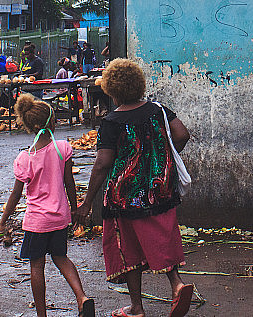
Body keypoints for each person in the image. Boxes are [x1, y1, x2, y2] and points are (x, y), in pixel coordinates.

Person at [76, 58, 194, 317]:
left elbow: (103, 163)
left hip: (125, 194)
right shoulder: (158, 110)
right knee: (161, 236)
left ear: (111, 89)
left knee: (128, 248)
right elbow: (182, 135)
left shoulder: (112, 121)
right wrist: (163, 157)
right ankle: (177, 285)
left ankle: (137, 308)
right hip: (160, 187)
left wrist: (86, 202)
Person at [0, 93, 95, 317]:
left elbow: (15, 195)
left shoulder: (25, 158)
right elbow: (70, 183)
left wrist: (3, 222)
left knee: (36, 266)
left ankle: (42, 315)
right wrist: (75, 208)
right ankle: (82, 298)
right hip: (60, 217)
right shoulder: (63, 149)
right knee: (61, 258)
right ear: (50, 122)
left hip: (37, 222)